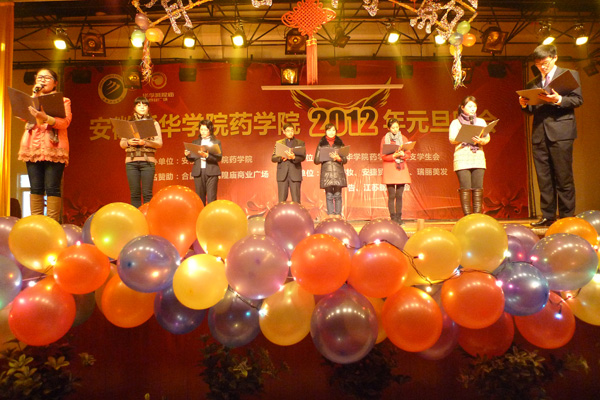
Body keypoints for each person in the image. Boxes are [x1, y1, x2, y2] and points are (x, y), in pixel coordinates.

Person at [519, 44, 583, 227]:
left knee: (563, 176)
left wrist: (558, 99)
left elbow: (578, 100)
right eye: (538, 64)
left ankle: (566, 216)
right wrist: (524, 104)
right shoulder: (533, 83)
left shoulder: (568, 75)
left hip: (561, 132)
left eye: (545, 62)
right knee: (544, 178)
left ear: (555, 58)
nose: (542, 67)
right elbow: (532, 110)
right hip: (539, 133)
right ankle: (548, 216)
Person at [18, 68, 72, 222]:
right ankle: (37, 223)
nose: (42, 80)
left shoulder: (64, 101)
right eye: (40, 77)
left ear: (55, 83)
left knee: (52, 187)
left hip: (54, 147)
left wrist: (46, 118)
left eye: (47, 78)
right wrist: (33, 96)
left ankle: (51, 224)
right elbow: (22, 116)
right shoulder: (31, 98)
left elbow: (65, 122)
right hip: (32, 146)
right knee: (35, 187)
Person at [448, 96, 491, 216]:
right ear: (462, 108)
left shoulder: (481, 122)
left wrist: (481, 140)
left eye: (475, 106)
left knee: (478, 187)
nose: (473, 109)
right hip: (462, 157)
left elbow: (487, 137)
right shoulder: (456, 123)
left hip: (478, 156)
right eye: (470, 106)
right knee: (465, 187)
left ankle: (477, 215)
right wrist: (465, 135)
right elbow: (452, 139)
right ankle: (467, 216)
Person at [119, 97, 163, 208]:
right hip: (131, 162)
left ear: (148, 108)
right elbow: (122, 143)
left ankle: (148, 216)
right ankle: (137, 216)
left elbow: (159, 143)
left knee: (147, 193)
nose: (142, 107)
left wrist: (145, 142)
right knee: (135, 194)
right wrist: (129, 142)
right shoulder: (129, 124)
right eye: (139, 105)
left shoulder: (154, 123)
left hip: (147, 161)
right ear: (134, 108)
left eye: (145, 105)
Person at [380, 118, 411, 224]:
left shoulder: (403, 138)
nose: (395, 129)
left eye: (397, 127)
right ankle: (393, 218)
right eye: (393, 127)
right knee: (392, 195)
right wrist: (394, 156)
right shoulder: (385, 139)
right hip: (390, 168)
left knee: (399, 195)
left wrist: (403, 154)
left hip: (401, 168)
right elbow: (383, 155)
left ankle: (399, 218)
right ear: (388, 128)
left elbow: (408, 154)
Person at [185, 119, 222, 205]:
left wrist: (207, 156)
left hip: (211, 172)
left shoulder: (216, 142)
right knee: (200, 198)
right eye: (201, 129)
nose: (203, 132)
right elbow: (192, 158)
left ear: (210, 130)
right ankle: (201, 213)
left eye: (205, 129)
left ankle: (211, 214)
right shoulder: (195, 142)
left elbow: (219, 157)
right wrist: (188, 155)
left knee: (211, 198)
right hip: (199, 172)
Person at [314, 124, 348, 216]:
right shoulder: (321, 144)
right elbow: (316, 160)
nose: (331, 132)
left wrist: (338, 158)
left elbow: (345, 160)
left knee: (338, 195)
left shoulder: (340, 143)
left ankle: (338, 215)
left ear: (336, 132)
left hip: (338, 172)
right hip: (327, 173)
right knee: (329, 195)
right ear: (325, 131)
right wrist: (325, 156)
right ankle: (330, 216)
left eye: (333, 130)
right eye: (329, 130)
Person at [271, 123, 305, 203]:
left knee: (296, 200)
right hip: (282, 175)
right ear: (284, 132)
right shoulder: (279, 143)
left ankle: (296, 212)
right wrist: (281, 158)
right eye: (288, 131)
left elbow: (303, 157)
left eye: (292, 131)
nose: (290, 133)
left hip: (295, 173)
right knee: (281, 200)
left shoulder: (300, 143)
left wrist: (293, 158)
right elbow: (273, 158)